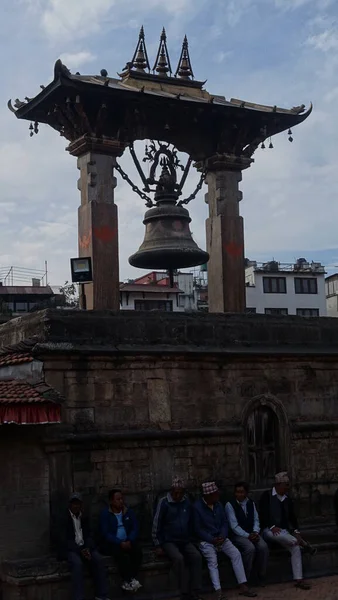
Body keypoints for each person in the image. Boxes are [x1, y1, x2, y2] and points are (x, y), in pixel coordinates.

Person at [193, 482, 256, 599]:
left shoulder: (218, 505)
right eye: (215, 494)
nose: (217, 496)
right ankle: (218, 591)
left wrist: (223, 535)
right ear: (208, 495)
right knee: (212, 560)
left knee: (236, 554)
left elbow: (224, 523)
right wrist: (212, 539)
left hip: (221, 538)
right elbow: (198, 529)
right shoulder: (197, 508)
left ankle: (243, 585)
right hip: (206, 540)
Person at [259, 472, 314, 591]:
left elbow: (292, 518)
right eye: (286, 485)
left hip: (283, 531)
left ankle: (299, 579)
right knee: (292, 541)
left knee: (295, 548)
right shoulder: (267, 496)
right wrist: (272, 526)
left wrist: (296, 531)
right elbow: (262, 515)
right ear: (278, 485)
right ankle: (303, 543)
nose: (288, 487)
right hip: (269, 530)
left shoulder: (287, 499)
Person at [152, 476, 203, 600]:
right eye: (175, 492)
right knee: (179, 558)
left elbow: (190, 522)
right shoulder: (164, 502)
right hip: (168, 540)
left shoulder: (186, 502)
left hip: (184, 539)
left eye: (180, 493)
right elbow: (156, 524)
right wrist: (157, 544)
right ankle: (183, 592)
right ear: (171, 491)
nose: (178, 495)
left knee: (196, 556)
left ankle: (195, 590)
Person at [54, 492, 110, 600]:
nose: (76, 506)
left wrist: (87, 548)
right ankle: (78, 597)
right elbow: (63, 539)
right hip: (70, 549)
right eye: (74, 504)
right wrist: (80, 550)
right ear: (70, 505)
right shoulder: (63, 518)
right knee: (77, 563)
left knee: (98, 559)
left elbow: (89, 535)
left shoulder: (84, 517)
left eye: (78, 504)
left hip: (84, 547)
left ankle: (101, 595)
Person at [225, 482, 269, 585]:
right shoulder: (230, 505)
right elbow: (234, 526)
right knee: (250, 548)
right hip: (238, 535)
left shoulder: (250, 503)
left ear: (246, 493)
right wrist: (248, 535)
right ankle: (245, 577)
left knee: (263, 547)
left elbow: (256, 519)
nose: (239, 495)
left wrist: (255, 532)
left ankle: (261, 575)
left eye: (242, 492)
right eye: (237, 492)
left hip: (252, 532)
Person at [100, 488, 143, 592]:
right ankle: (127, 580)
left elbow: (135, 528)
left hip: (127, 541)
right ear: (111, 501)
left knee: (137, 552)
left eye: (121, 499)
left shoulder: (128, 512)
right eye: (118, 499)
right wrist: (119, 542)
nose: (121, 501)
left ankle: (131, 579)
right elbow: (106, 533)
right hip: (113, 543)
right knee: (122, 556)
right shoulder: (106, 514)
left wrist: (129, 540)